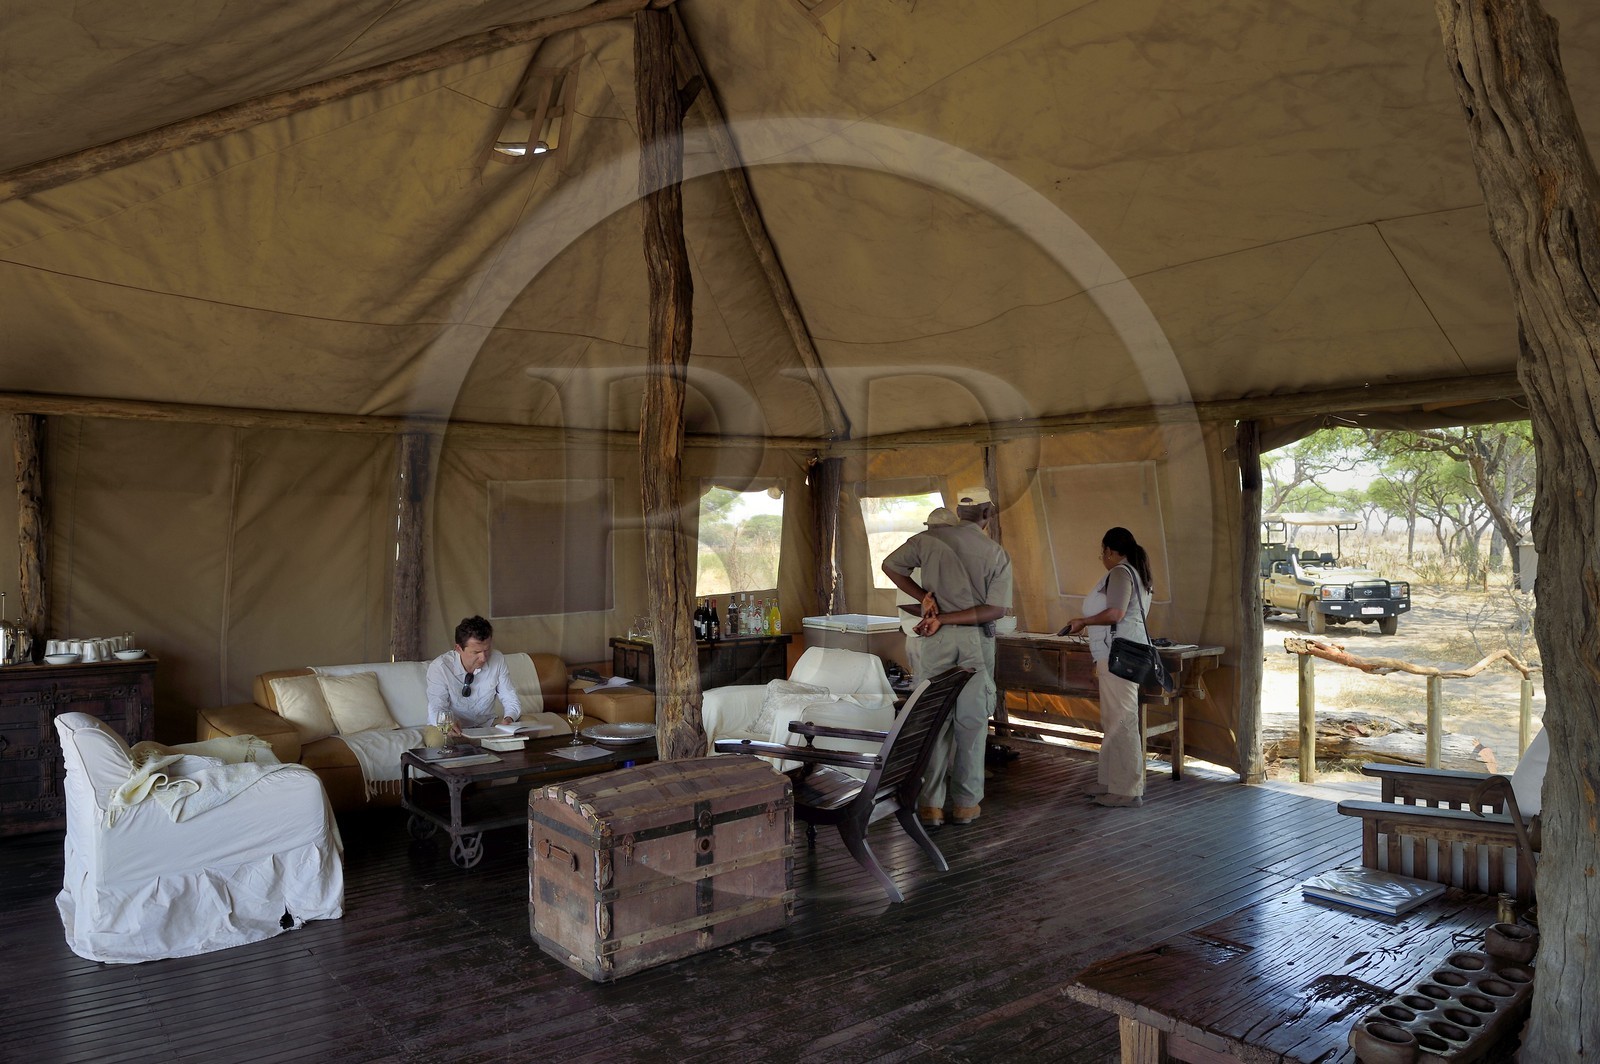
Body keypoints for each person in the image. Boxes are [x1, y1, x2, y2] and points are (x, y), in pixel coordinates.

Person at [882, 503, 1013, 828]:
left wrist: (927, 598)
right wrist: (946, 617)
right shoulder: (994, 552)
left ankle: (931, 806)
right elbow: (995, 609)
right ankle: (966, 805)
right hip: (974, 642)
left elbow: (889, 565)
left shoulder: (927, 542)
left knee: (933, 723)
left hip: (934, 642)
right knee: (971, 723)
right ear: (986, 516)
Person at [1060, 527, 1156, 808]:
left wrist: (1083, 621)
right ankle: (1110, 781)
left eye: (1103, 552)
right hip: (1116, 653)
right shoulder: (1132, 572)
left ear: (1110, 551)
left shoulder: (1121, 573)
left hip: (1119, 655)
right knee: (1114, 721)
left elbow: (1116, 613)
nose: (1102, 557)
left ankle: (1126, 789)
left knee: (1123, 722)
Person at [426, 615, 522, 732]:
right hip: (453, 726)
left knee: (528, 726)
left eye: (486, 650)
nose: (483, 658)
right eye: (476, 652)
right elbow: (437, 706)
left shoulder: (497, 659)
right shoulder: (440, 667)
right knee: (437, 741)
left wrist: (509, 718)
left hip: (487, 724)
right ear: (458, 648)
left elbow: (510, 697)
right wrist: (449, 724)